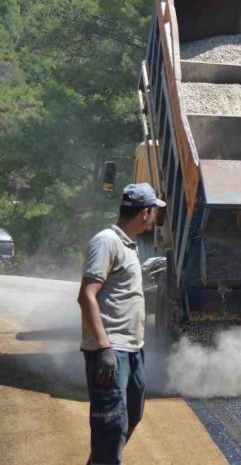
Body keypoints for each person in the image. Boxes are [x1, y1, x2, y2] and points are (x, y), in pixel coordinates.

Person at [77, 183, 165, 465]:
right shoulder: (106, 242)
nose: (154, 217)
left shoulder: (128, 245)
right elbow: (86, 296)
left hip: (132, 349)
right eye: (153, 212)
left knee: (131, 415)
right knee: (111, 425)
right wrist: (104, 348)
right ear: (145, 213)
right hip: (111, 350)